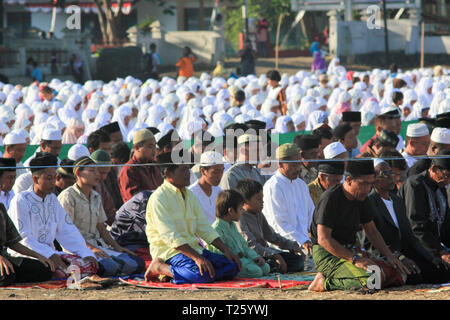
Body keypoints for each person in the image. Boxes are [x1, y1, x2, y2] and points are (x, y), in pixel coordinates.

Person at [309, 159, 409, 292]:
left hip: (351, 252)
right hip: (327, 254)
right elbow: (323, 239)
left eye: (371, 184)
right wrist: (355, 259)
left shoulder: (362, 198)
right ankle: (324, 282)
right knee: (371, 279)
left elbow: (372, 231)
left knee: (398, 273)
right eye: (364, 184)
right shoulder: (330, 198)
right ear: (349, 180)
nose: (368, 189)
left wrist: (390, 256)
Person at [143, 150, 241, 284]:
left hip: (194, 249)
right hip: (170, 253)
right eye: (183, 170)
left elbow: (204, 227)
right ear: (167, 174)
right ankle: (160, 267)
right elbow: (170, 237)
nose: (188, 173)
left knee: (233, 266)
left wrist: (226, 250)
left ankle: (178, 273)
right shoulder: (158, 198)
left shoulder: (189, 195)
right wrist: (197, 258)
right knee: (201, 276)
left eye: (188, 169)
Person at [8, 153, 99, 279]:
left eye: (54, 178)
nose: (53, 182)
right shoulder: (21, 200)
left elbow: (67, 230)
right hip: (27, 255)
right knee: (48, 270)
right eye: (49, 178)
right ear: (35, 179)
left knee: (91, 264)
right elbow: (23, 238)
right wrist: (48, 254)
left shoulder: (52, 199)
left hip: (52, 254)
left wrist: (84, 252)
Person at [58, 156, 145, 277]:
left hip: (98, 246)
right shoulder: (68, 196)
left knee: (138, 263)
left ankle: (111, 267)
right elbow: (68, 232)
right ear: (78, 173)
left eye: (97, 171)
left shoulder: (95, 196)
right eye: (92, 170)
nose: (97, 175)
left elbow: (101, 227)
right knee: (111, 266)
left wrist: (117, 247)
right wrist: (91, 249)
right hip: (77, 248)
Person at [367, 159, 450, 284]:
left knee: (440, 269)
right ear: (373, 179)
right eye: (385, 174)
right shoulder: (369, 203)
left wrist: (432, 257)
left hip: (404, 253)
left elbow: (410, 237)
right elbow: (371, 243)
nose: (391, 177)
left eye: (391, 173)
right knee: (413, 276)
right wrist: (399, 257)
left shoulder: (397, 201)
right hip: (384, 256)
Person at [236, 179, 305, 273]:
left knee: (297, 260)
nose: (262, 202)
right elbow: (250, 245)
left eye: (262, 199)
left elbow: (271, 236)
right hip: (254, 256)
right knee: (269, 265)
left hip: (267, 252)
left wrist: (291, 245)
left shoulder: (259, 214)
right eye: (258, 199)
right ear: (245, 201)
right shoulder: (240, 217)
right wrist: (275, 255)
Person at [398, 150, 450, 272]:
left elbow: (445, 225)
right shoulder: (415, 185)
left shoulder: (440, 188)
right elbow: (416, 227)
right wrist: (440, 252)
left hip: (435, 246)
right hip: (415, 247)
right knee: (440, 271)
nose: (448, 181)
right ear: (434, 169)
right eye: (447, 176)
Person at [262, 143, 314, 262]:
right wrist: (302, 241)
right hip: (283, 248)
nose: (298, 169)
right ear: (280, 164)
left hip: (306, 245)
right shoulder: (273, 187)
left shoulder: (300, 184)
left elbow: (312, 215)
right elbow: (279, 224)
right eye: (294, 165)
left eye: (299, 164)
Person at [207, 189, 270, 278]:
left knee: (265, 267)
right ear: (231, 211)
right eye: (240, 209)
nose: (242, 212)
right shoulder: (217, 228)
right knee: (256, 271)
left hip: (243, 260)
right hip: (230, 262)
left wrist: (255, 257)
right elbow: (219, 254)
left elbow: (244, 246)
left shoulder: (232, 225)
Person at [0, 201, 54, 286]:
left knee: (45, 269)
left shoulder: (1, 208)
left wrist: (38, 256)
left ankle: (12, 276)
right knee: (6, 276)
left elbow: (13, 243)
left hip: (4, 258)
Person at [118, 129, 162, 203]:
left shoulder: (154, 166)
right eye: (150, 146)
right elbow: (135, 201)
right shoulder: (129, 169)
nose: (154, 150)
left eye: (155, 146)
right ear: (137, 147)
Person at [13, 129, 63, 195]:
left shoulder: (59, 162)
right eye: (55, 148)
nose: (58, 152)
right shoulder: (29, 165)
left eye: (59, 148)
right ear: (43, 145)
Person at [188, 151, 224, 225]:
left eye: (221, 171)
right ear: (203, 171)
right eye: (215, 172)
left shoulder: (219, 191)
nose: (219, 176)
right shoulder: (191, 194)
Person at [91, 150, 117, 226]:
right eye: (101, 172)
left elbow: (110, 212)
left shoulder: (100, 185)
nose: (104, 177)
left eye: (106, 173)